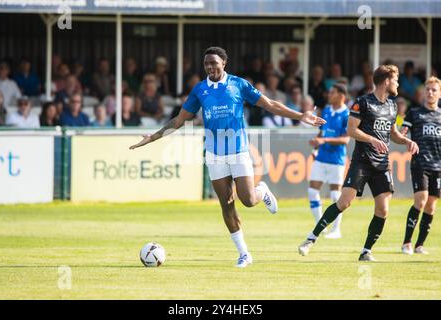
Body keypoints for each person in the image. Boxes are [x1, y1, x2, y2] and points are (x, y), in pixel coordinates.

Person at [129, 47, 325, 268]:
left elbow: (270, 104)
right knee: (226, 205)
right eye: (206, 64)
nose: (210, 67)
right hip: (214, 155)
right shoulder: (200, 90)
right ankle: (244, 254)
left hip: (239, 151)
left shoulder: (238, 85)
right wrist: (153, 137)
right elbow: (179, 120)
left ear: (224, 63)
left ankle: (262, 190)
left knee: (249, 200)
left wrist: (301, 115)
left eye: (214, 62)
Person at [298, 65, 419, 261]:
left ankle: (366, 251)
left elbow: (393, 134)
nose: (398, 83)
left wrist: (407, 141)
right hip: (362, 162)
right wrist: (371, 139)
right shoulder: (362, 102)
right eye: (396, 79)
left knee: (383, 209)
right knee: (344, 202)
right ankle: (311, 239)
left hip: (382, 164)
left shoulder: (392, 105)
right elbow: (352, 130)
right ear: (386, 81)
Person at [400, 77, 441, 255]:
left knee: (431, 206)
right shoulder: (414, 113)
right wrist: (405, 137)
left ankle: (419, 245)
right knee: (421, 200)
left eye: (434, 90)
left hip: (438, 166)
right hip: (420, 163)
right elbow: (403, 133)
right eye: (428, 89)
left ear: (439, 94)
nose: (430, 92)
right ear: (424, 92)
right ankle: (406, 243)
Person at [307, 83, 350, 239]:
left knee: (335, 196)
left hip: (336, 160)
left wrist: (324, 140)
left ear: (341, 96)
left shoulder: (347, 115)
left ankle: (336, 230)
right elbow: (321, 132)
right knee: (312, 191)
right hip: (321, 158)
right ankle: (321, 225)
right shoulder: (326, 110)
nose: (329, 95)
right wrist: (316, 145)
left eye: (332, 92)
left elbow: (345, 140)